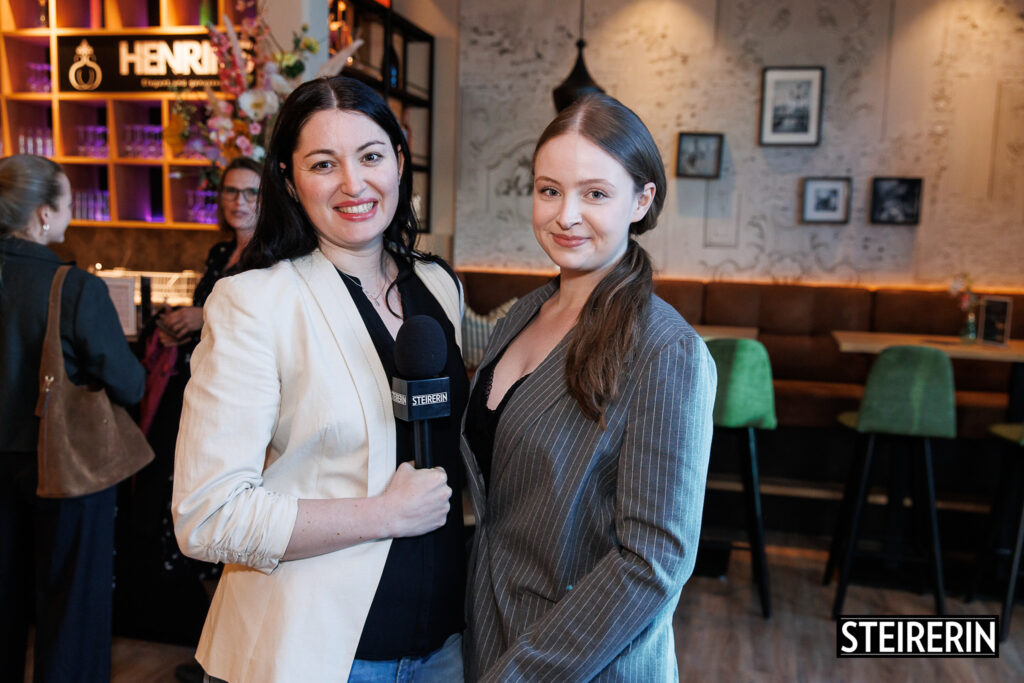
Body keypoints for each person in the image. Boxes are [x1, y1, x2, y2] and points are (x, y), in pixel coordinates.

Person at [172, 75, 468, 682]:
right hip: (315, 651)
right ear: (289, 180)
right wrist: (384, 514)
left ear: (399, 161)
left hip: (445, 647)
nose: (353, 184)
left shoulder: (439, 284)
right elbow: (208, 516)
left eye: (370, 156)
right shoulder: (255, 302)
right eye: (323, 164)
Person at [461, 94, 717, 681]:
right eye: (549, 190)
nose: (566, 215)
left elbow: (653, 563)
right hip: (488, 635)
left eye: (595, 194)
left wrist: (522, 673)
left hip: (582, 664)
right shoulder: (522, 314)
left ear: (641, 200)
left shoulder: (665, 350)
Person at [0, 155, 145, 682]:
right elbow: (128, 383)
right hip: (63, 463)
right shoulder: (74, 286)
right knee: (72, 606)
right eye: (65, 203)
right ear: (43, 214)